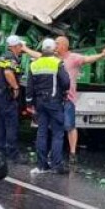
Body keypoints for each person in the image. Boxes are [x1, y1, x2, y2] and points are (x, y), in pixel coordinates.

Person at [54, 35, 105, 160]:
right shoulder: (53, 58)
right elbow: (38, 56)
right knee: (56, 126)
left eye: (56, 43)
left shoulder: (73, 58)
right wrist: (25, 49)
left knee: (70, 126)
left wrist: (102, 55)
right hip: (55, 99)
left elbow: (87, 59)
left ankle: (73, 153)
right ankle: (55, 153)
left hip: (68, 99)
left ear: (64, 45)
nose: (54, 45)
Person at [26, 38, 70, 174]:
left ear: (42, 49)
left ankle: (41, 165)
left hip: (40, 103)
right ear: (53, 49)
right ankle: (57, 165)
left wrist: (29, 103)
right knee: (58, 133)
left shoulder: (34, 64)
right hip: (54, 102)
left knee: (42, 133)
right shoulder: (57, 63)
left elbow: (29, 86)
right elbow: (66, 81)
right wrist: (64, 91)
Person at [0, 35, 27, 162]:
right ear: (14, 46)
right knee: (12, 124)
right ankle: (13, 154)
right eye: (19, 46)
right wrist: (16, 87)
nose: (21, 49)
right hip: (6, 95)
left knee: (0, 123)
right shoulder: (12, 58)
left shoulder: (2, 56)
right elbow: (8, 72)